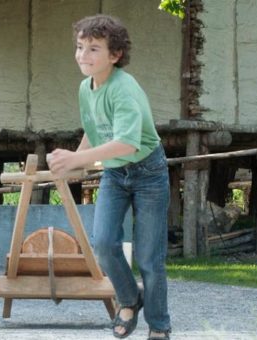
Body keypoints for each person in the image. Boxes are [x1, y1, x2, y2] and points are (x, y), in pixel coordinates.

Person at [47, 14, 171, 340]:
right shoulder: (85, 88)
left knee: (149, 257)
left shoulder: (123, 89)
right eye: (79, 47)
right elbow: (96, 130)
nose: (83, 56)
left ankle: (159, 326)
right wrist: (74, 164)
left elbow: (127, 143)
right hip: (115, 173)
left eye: (93, 49)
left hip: (149, 172)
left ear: (114, 55)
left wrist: (77, 158)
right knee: (103, 244)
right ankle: (130, 299)